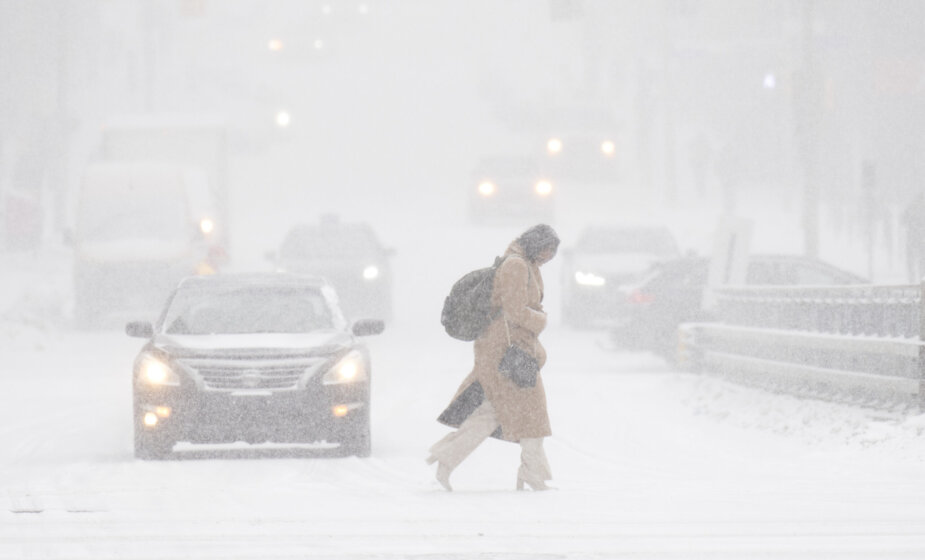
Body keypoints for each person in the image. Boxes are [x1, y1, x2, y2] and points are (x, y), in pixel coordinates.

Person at [427, 224, 560, 491]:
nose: (548, 256)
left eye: (552, 252)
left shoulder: (525, 263)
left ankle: (447, 460)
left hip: (509, 350)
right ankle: (531, 473)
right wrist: (541, 320)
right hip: (506, 354)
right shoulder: (516, 266)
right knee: (531, 415)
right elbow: (515, 311)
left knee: (493, 413)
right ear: (536, 244)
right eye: (547, 250)